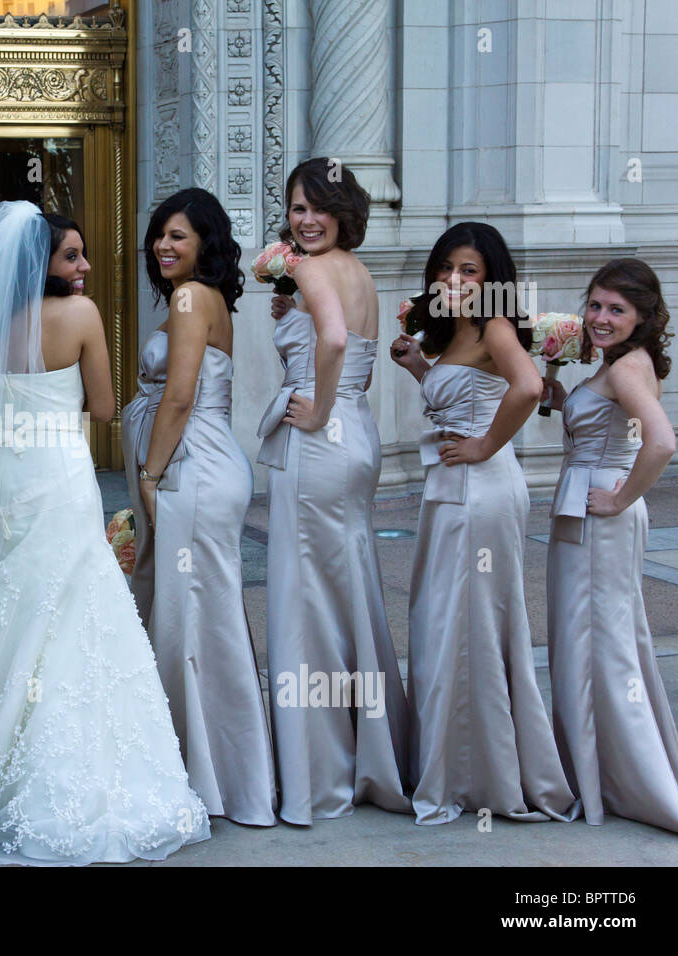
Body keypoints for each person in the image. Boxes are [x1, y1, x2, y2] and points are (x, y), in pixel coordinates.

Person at [0, 202, 210, 865]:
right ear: (40, 263)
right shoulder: (80, 317)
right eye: (71, 256)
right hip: (56, 470)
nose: (84, 268)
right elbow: (105, 408)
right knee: (69, 600)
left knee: (5, 593)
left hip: (0, 471)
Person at [390, 221, 576, 825]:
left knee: (466, 624)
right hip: (454, 491)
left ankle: (478, 774)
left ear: (492, 279)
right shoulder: (458, 333)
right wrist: (421, 367)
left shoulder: (495, 325)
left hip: (480, 491)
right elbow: (467, 396)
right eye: (446, 268)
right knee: (446, 620)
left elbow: (528, 388)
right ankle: (459, 762)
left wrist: (485, 446)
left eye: (469, 270)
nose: (454, 279)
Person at [120, 187, 277, 826]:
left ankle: (212, 779)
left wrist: (152, 475)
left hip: (190, 469)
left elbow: (180, 396)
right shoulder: (201, 300)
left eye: (178, 235)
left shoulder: (190, 298)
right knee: (195, 614)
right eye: (159, 233)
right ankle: (207, 769)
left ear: (205, 244)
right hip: (199, 464)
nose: (163, 244)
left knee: (191, 619)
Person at [260, 158, 411, 824]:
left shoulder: (314, 269)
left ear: (344, 211)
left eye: (318, 206)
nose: (305, 219)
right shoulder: (361, 275)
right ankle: (372, 750)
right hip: (359, 439)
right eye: (296, 207)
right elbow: (362, 367)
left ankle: (317, 773)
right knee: (348, 584)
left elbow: (329, 340)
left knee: (305, 595)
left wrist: (317, 408)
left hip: (321, 441)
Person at [544, 258, 678, 835]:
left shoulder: (628, 367)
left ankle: (630, 781)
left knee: (602, 643)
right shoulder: (625, 363)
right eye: (595, 305)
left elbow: (663, 442)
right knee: (599, 638)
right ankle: (601, 770)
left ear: (643, 317)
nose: (600, 318)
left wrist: (622, 497)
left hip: (599, 513)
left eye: (616, 310)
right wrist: (557, 395)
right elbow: (607, 427)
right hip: (589, 509)